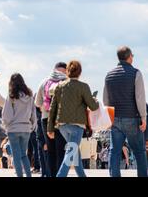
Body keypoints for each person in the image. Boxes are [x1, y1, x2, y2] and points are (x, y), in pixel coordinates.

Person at [48, 60, 99, 177]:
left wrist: (50, 128)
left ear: (67, 72)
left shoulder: (59, 86)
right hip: (77, 125)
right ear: (79, 72)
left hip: (62, 126)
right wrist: (94, 100)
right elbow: (93, 106)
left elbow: (52, 108)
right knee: (70, 153)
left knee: (74, 154)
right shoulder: (83, 87)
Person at [103, 46, 147, 177]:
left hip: (115, 119)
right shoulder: (136, 73)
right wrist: (143, 117)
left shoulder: (109, 75)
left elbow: (105, 100)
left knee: (114, 152)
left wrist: (109, 118)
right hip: (132, 118)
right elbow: (140, 98)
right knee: (139, 152)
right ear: (129, 57)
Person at [35, 62, 67, 177]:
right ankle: (60, 174)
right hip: (62, 119)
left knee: (50, 149)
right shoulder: (67, 83)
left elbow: (38, 103)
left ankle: (51, 174)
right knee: (61, 150)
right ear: (66, 71)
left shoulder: (44, 82)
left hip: (46, 119)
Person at [2, 73, 37, 177]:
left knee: (16, 156)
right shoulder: (30, 96)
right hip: (26, 128)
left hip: (13, 129)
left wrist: (6, 125)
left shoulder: (12, 96)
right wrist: (32, 126)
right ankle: (29, 175)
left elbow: (6, 115)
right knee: (24, 155)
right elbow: (33, 113)